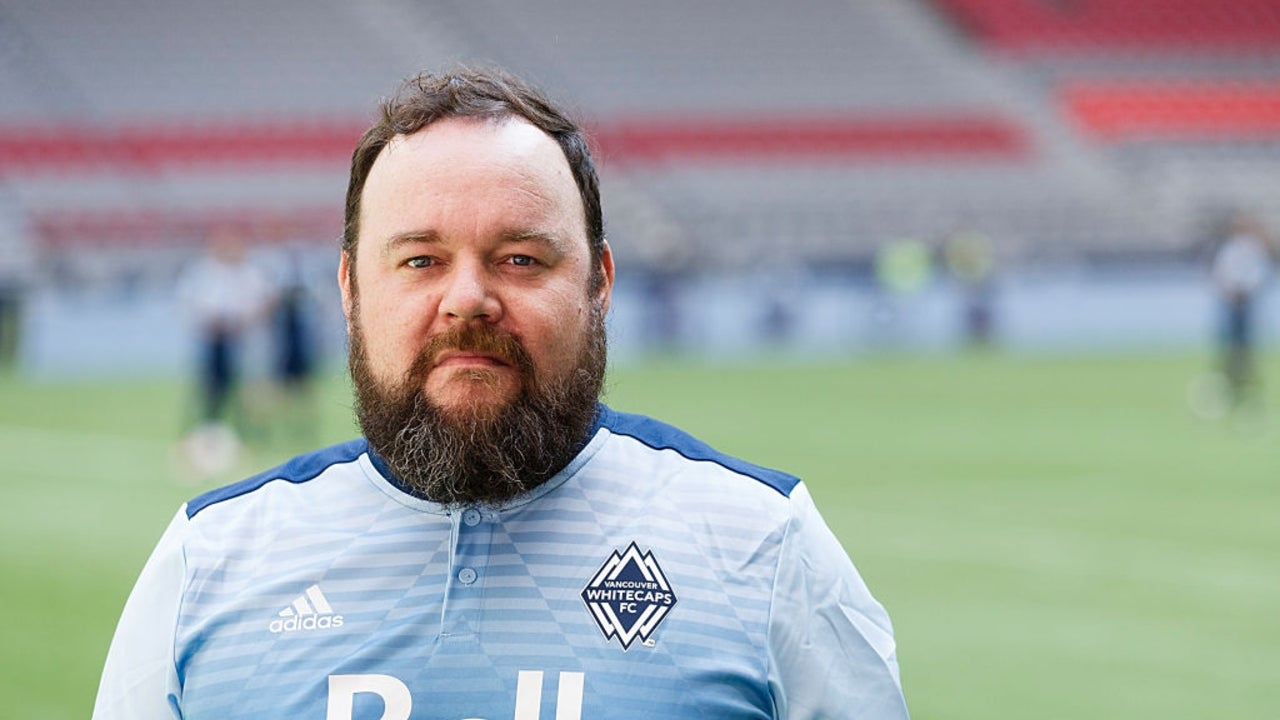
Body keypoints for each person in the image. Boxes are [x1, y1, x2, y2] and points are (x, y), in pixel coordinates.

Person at [93, 67, 908, 719]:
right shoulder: (212, 564)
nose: (468, 298)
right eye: (419, 260)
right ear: (348, 290)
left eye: (521, 258)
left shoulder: (762, 548)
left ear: (600, 284)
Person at [174, 226, 274, 476]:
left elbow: (264, 301)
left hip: (237, 340)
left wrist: (244, 320)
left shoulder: (249, 273)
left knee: (241, 392)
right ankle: (204, 438)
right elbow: (190, 304)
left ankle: (243, 439)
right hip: (211, 341)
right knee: (209, 392)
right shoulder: (203, 273)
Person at [1210, 214, 1274, 410]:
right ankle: (1231, 378)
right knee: (1231, 344)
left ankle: (1246, 379)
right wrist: (1231, 292)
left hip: (1246, 304)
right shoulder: (1230, 250)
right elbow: (1221, 274)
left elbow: (1260, 275)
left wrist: (1246, 292)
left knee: (1245, 344)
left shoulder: (1252, 249)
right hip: (1232, 304)